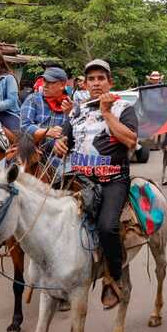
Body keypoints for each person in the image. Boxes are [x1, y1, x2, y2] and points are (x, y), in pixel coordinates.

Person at [53, 59, 138, 310]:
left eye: (101, 78)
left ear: (110, 82)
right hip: (80, 180)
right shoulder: (77, 110)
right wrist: (60, 145)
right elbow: (64, 141)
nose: (96, 83)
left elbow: (130, 141)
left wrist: (107, 112)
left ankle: (113, 277)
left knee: (107, 227)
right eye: (91, 79)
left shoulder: (123, 108)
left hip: (113, 180)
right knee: (52, 219)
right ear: (85, 84)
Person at [19, 66, 72, 160]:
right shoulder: (33, 99)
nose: (45, 85)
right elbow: (24, 127)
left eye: (51, 82)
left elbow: (75, 136)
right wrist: (47, 131)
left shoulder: (71, 106)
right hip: (32, 153)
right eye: (44, 81)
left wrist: (71, 115)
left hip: (58, 158)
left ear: (62, 85)